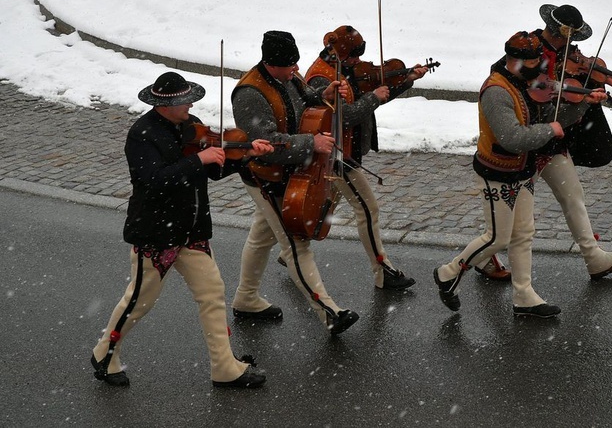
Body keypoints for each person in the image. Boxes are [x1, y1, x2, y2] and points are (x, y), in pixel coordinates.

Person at [91, 71, 273, 388]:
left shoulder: (191, 125)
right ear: (166, 105)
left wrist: (245, 156)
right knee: (138, 302)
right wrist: (198, 160)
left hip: (191, 231)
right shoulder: (142, 135)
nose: (191, 104)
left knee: (213, 294)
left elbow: (214, 168)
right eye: (185, 100)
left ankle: (224, 367)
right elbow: (155, 181)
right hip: (156, 235)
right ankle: (105, 353)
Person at [434, 31, 608, 318]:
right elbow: (512, 137)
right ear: (515, 61)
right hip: (498, 172)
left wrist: (580, 106)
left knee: (524, 234)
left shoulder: (524, 82)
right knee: (497, 239)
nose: (540, 68)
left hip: (522, 170)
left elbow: (549, 116)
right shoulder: (497, 91)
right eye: (534, 62)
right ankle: (447, 273)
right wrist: (549, 130)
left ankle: (524, 294)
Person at [477, 4, 612, 282]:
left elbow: (576, 81)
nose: (574, 47)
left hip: (553, 140)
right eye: (569, 38)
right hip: (526, 143)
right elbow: (506, 78)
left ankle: (594, 258)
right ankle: (482, 256)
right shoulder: (528, 49)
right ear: (557, 31)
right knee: (508, 215)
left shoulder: (570, 54)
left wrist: (594, 85)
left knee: (573, 198)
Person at [230, 30, 359, 335]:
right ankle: (329, 311)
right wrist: (311, 143)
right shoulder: (249, 93)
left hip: (289, 173)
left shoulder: (288, 76)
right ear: (271, 63)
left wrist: (323, 95)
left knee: (262, 237)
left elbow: (302, 100)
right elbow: (268, 143)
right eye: (290, 66)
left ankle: (246, 298)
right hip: (264, 176)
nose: (296, 71)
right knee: (295, 245)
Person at [303, 25, 428, 291]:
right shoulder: (321, 78)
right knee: (368, 210)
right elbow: (346, 115)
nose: (359, 62)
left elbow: (374, 94)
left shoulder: (343, 68)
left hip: (346, 150)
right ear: (340, 53)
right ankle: (383, 271)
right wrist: (373, 97)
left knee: (325, 208)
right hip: (337, 156)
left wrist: (406, 80)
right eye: (354, 57)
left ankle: (291, 251)